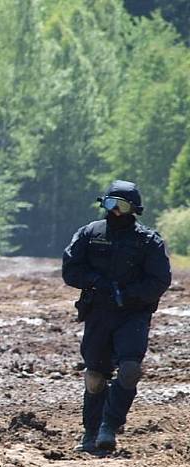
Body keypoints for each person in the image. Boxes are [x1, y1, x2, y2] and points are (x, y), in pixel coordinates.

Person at [62, 180, 171, 452]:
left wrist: (129, 293)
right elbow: (70, 269)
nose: (115, 211)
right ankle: (90, 432)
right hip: (98, 312)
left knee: (130, 370)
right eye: (110, 204)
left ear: (134, 209)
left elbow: (160, 280)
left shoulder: (148, 241)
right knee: (96, 375)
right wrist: (97, 282)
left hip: (132, 314)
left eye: (121, 205)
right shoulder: (90, 233)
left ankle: (109, 426)